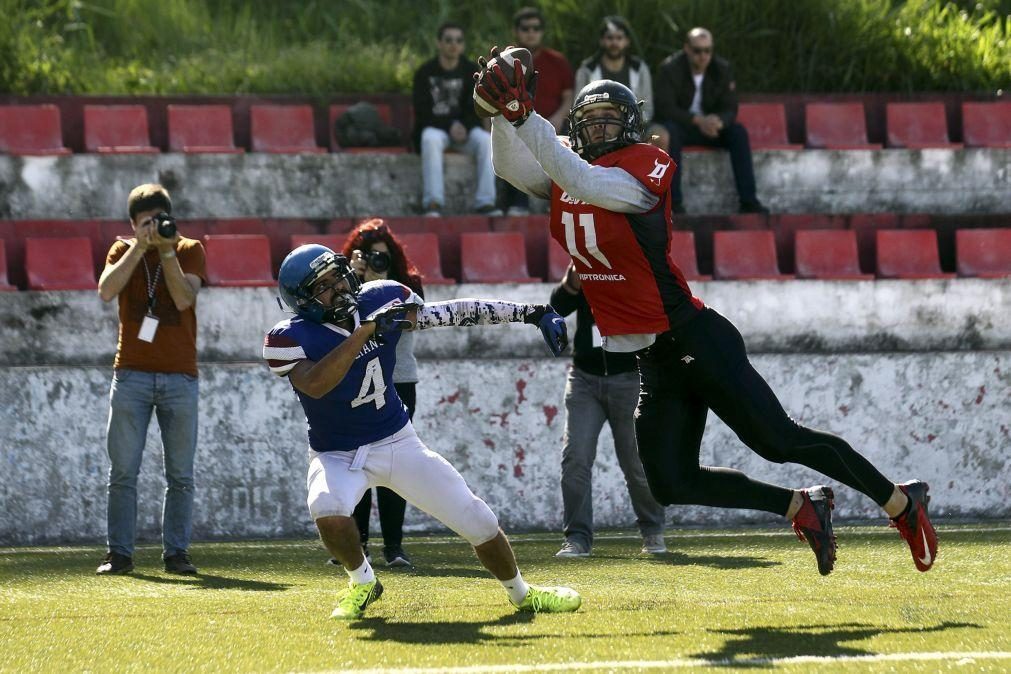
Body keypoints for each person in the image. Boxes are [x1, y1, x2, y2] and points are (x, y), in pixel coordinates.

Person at [477, 59, 938, 576]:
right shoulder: (565, 169)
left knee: (778, 440)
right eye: (591, 120)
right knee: (672, 483)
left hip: (695, 337)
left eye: (610, 119)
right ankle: (801, 506)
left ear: (630, 125)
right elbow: (512, 169)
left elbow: (581, 179)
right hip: (654, 358)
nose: (599, 128)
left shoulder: (642, 166)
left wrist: (523, 118)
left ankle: (900, 501)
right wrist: (500, 114)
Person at [263, 244, 580, 619]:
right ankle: (363, 582)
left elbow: (453, 313)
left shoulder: (380, 298)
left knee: (475, 517)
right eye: (325, 285)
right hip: (337, 452)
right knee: (327, 510)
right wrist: (365, 332)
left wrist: (532, 312)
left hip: (395, 440)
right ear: (305, 301)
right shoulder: (288, 337)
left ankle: (523, 594)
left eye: (338, 275)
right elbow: (316, 384)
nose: (341, 288)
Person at [95, 183, 206, 575]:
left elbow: (182, 299)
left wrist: (165, 250)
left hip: (180, 376)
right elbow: (106, 290)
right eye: (145, 224)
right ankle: (119, 555)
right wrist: (139, 248)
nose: (154, 228)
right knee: (122, 471)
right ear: (132, 224)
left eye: (159, 221)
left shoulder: (189, 249)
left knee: (180, 474)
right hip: (131, 375)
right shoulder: (121, 250)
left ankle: (176, 554)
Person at [550, 263, 667, 558]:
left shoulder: (635, 268)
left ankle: (653, 533)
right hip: (584, 379)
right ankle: (577, 539)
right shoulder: (585, 265)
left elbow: (656, 318)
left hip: (629, 378)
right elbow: (556, 309)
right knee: (575, 458)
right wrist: (570, 285)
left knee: (636, 462)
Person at [341, 219, 425, 568]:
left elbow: (414, 321)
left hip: (399, 380)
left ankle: (394, 547)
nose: (378, 264)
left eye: (383, 259)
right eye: (370, 258)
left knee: (396, 464)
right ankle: (357, 546)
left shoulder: (407, 286)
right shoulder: (343, 290)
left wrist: (380, 288)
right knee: (356, 462)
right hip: (356, 380)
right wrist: (357, 287)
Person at [653, 27, 768, 214]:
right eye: (697, 50)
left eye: (708, 50)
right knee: (669, 132)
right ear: (687, 49)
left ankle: (749, 202)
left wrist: (719, 122)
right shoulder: (670, 69)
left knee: (738, 132)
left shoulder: (722, 69)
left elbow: (730, 107)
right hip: (684, 126)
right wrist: (698, 120)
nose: (703, 56)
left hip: (711, 128)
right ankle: (674, 204)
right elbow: (665, 108)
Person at [412, 21, 500, 218]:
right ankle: (433, 203)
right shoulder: (425, 73)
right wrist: (450, 126)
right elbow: (422, 111)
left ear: (463, 45)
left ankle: (486, 202)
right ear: (439, 43)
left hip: (465, 130)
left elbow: (477, 107)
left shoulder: (472, 72)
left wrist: (464, 126)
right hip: (435, 128)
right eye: (448, 40)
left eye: (458, 40)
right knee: (429, 138)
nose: (454, 44)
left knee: (486, 141)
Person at [498, 7, 575, 216]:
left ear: (542, 31)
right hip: (517, 122)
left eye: (536, 28)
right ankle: (517, 204)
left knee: (570, 141)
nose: (531, 32)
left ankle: (562, 202)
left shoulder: (558, 61)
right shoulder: (504, 61)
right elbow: (495, 97)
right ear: (516, 31)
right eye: (525, 28)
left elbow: (569, 96)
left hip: (555, 123)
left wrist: (559, 117)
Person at [574, 16, 666, 150]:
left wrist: (631, 125)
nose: (614, 43)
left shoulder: (640, 68)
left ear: (627, 41)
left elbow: (648, 108)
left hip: (637, 126)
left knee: (661, 135)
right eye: (610, 38)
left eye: (619, 38)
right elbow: (578, 107)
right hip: (597, 125)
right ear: (602, 41)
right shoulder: (587, 69)